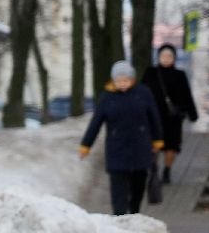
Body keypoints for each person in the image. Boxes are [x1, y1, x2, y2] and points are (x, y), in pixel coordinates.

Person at [80, 60, 164, 215]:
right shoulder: (107, 97)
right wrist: (86, 145)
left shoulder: (143, 93)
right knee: (118, 189)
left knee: (138, 186)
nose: (122, 84)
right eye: (119, 80)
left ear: (132, 79)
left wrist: (157, 139)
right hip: (117, 149)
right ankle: (119, 217)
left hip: (140, 147)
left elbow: (154, 117)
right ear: (113, 80)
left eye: (126, 80)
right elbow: (96, 122)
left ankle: (134, 213)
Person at [140, 44, 198, 183]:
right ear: (158, 57)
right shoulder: (150, 73)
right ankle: (153, 169)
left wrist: (192, 113)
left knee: (171, 145)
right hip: (154, 116)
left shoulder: (180, 75)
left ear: (174, 58)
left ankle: (167, 170)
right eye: (163, 56)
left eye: (169, 56)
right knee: (153, 144)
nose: (166, 59)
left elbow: (187, 95)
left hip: (173, 118)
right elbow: (141, 93)